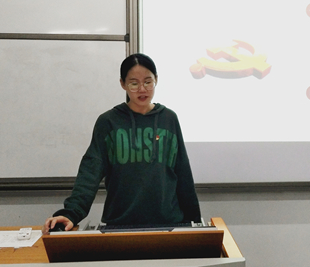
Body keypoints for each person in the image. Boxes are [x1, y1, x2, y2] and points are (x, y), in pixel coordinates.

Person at [43, 53, 201, 234]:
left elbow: (183, 173)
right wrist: (71, 213)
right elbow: (90, 172)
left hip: (169, 224)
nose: (142, 89)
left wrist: (196, 224)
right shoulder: (109, 122)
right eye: (134, 83)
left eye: (148, 82)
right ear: (123, 84)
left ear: (156, 80)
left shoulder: (169, 119)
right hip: (120, 226)